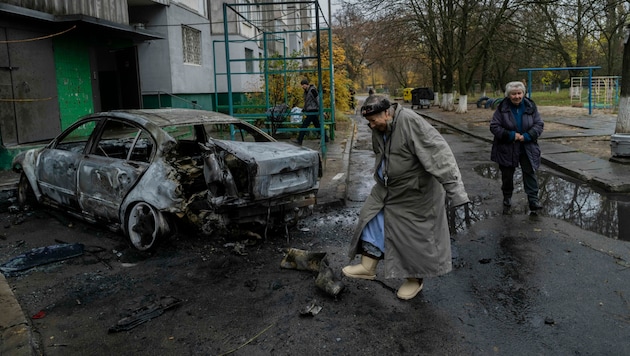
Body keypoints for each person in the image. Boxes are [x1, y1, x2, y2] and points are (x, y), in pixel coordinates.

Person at [341, 94, 470, 300]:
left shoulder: (410, 121)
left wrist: (456, 192)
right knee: (371, 218)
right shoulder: (381, 126)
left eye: (373, 121)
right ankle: (368, 265)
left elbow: (439, 154)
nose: (371, 126)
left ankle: (414, 280)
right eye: (369, 122)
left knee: (414, 239)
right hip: (389, 189)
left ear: (386, 113)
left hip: (415, 193)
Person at [490, 81, 544, 212]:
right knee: (507, 175)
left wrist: (526, 136)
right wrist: (512, 135)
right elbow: (494, 126)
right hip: (507, 147)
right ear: (508, 95)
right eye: (513, 94)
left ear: (523, 94)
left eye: (519, 93)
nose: (517, 96)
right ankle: (507, 197)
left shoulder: (530, 107)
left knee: (530, 173)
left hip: (527, 146)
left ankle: (533, 200)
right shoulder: (502, 108)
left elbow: (539, 124)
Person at [295, 79, 327, 145]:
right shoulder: (306, 92)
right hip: (311, 110)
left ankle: (299, 140)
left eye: (303, 85)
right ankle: (326, 138)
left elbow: (318, 100)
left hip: (313, 110)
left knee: (304, 125)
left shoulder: (312, 90)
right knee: (317, 126)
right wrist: (304, 109)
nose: (302, 87)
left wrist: (322, 110)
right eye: (302, 85)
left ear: (306, 84)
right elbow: (307, 102)